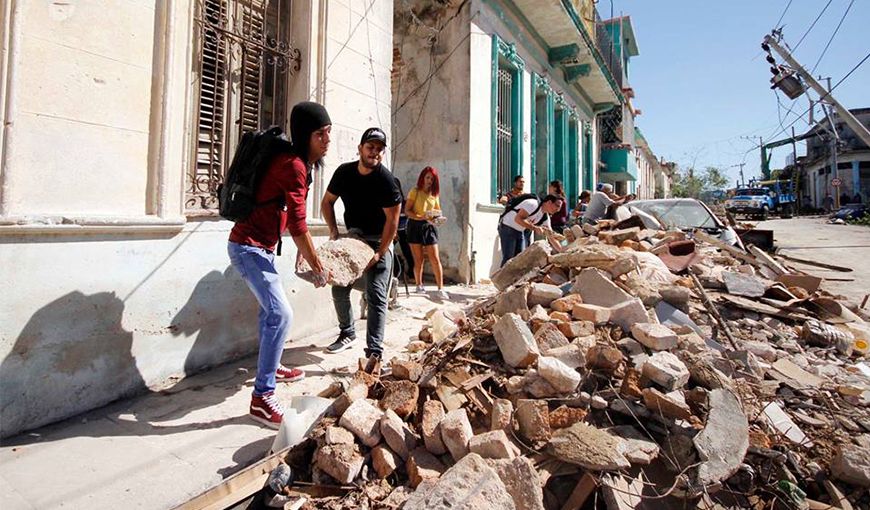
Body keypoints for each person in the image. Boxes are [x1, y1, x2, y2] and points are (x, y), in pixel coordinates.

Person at [227, 101, 331, 429]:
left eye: (328, 132)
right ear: (305, 135)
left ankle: (272, 368)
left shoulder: (298, 162)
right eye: (319, 134)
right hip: (248, 248)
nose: (326, 139)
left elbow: (288, 214)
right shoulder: (293, 165)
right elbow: (299, 224)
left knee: (269, 312)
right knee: (279, 314)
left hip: (263, 248)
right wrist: (317, 264)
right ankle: (262, 398)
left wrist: (301, 253)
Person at [321, 127, 402, 359]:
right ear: (360, 149)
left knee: (376, 295)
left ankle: (374, 352)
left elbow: (392, 222)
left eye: (379, 149)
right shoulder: (344, 173)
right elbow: (327, 202)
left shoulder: (387, 181)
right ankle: (347, 332)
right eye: (370, 147)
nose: (374, 152)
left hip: (379, 240)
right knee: (339, 287)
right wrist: (334, 233)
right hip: (353, 239)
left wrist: (380, 253)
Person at [405, 166, 448, 299]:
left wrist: (438, 219)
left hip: (429, 227)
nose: (429, 180)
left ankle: (440, 288)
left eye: (432, 178)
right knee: (419, 259)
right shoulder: (415, 191)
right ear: (422, 177)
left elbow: (437, 211)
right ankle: (419, 285)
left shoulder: (434, 195)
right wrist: (420, 217)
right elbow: (407, 211)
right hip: (414, 226)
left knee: (435, 258)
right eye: (427, 177)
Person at [498, 194, 563, 266]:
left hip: (519, 231)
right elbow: (518, 219)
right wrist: (535, 228)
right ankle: (501, 277)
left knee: (519, 259)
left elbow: (551, 236)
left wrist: (562, 251)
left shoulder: (545, 217)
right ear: (549, 202)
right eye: (557, 206)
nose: (558, 209)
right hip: (508, 227)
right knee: (508, 258)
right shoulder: (533, 204)